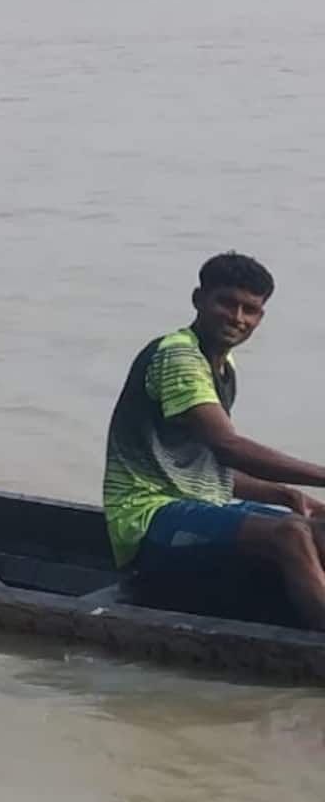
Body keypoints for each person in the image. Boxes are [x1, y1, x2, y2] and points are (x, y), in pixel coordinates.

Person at [103, 253, 325, 628]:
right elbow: (228, 447)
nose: (237, 318)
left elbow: (207, 469)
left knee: (314, 524)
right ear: (198, 299)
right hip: (146, 521)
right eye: (226, 303)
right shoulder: (178, 356)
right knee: (291, 533)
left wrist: (284, 494)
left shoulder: (220, 365)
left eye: (249, 310)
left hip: (199, 509)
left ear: (260, 317)